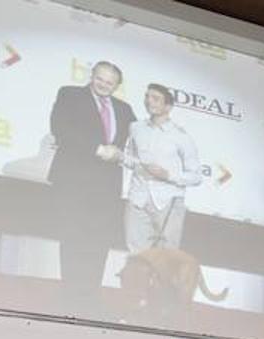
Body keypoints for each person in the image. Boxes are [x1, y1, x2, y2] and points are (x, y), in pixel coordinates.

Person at [47, 61, 136, 296]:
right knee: (73, 238)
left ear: (117, 85)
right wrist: (97, 149)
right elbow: (60, 129)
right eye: (100, 78)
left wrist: (123, 155)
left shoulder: (125, 109)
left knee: (99, 242)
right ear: (92, 75)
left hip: (107, 188)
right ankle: (69, 296)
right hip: (73, 182)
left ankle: (90, 299)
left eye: (110, 82)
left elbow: (139, 143)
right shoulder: (69, 94)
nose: (104, 85)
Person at [120, 83, 201, 253]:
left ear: (168, 106)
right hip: (137, 198)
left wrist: (168, 175)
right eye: (147, 97)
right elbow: (129, 158)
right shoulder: (135, 128)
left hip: (168, 201)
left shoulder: (181, 136)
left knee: (166, 255)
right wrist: (124, 159)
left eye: (156, 99)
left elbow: (196, 176)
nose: (149, 101)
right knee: (136, 253)